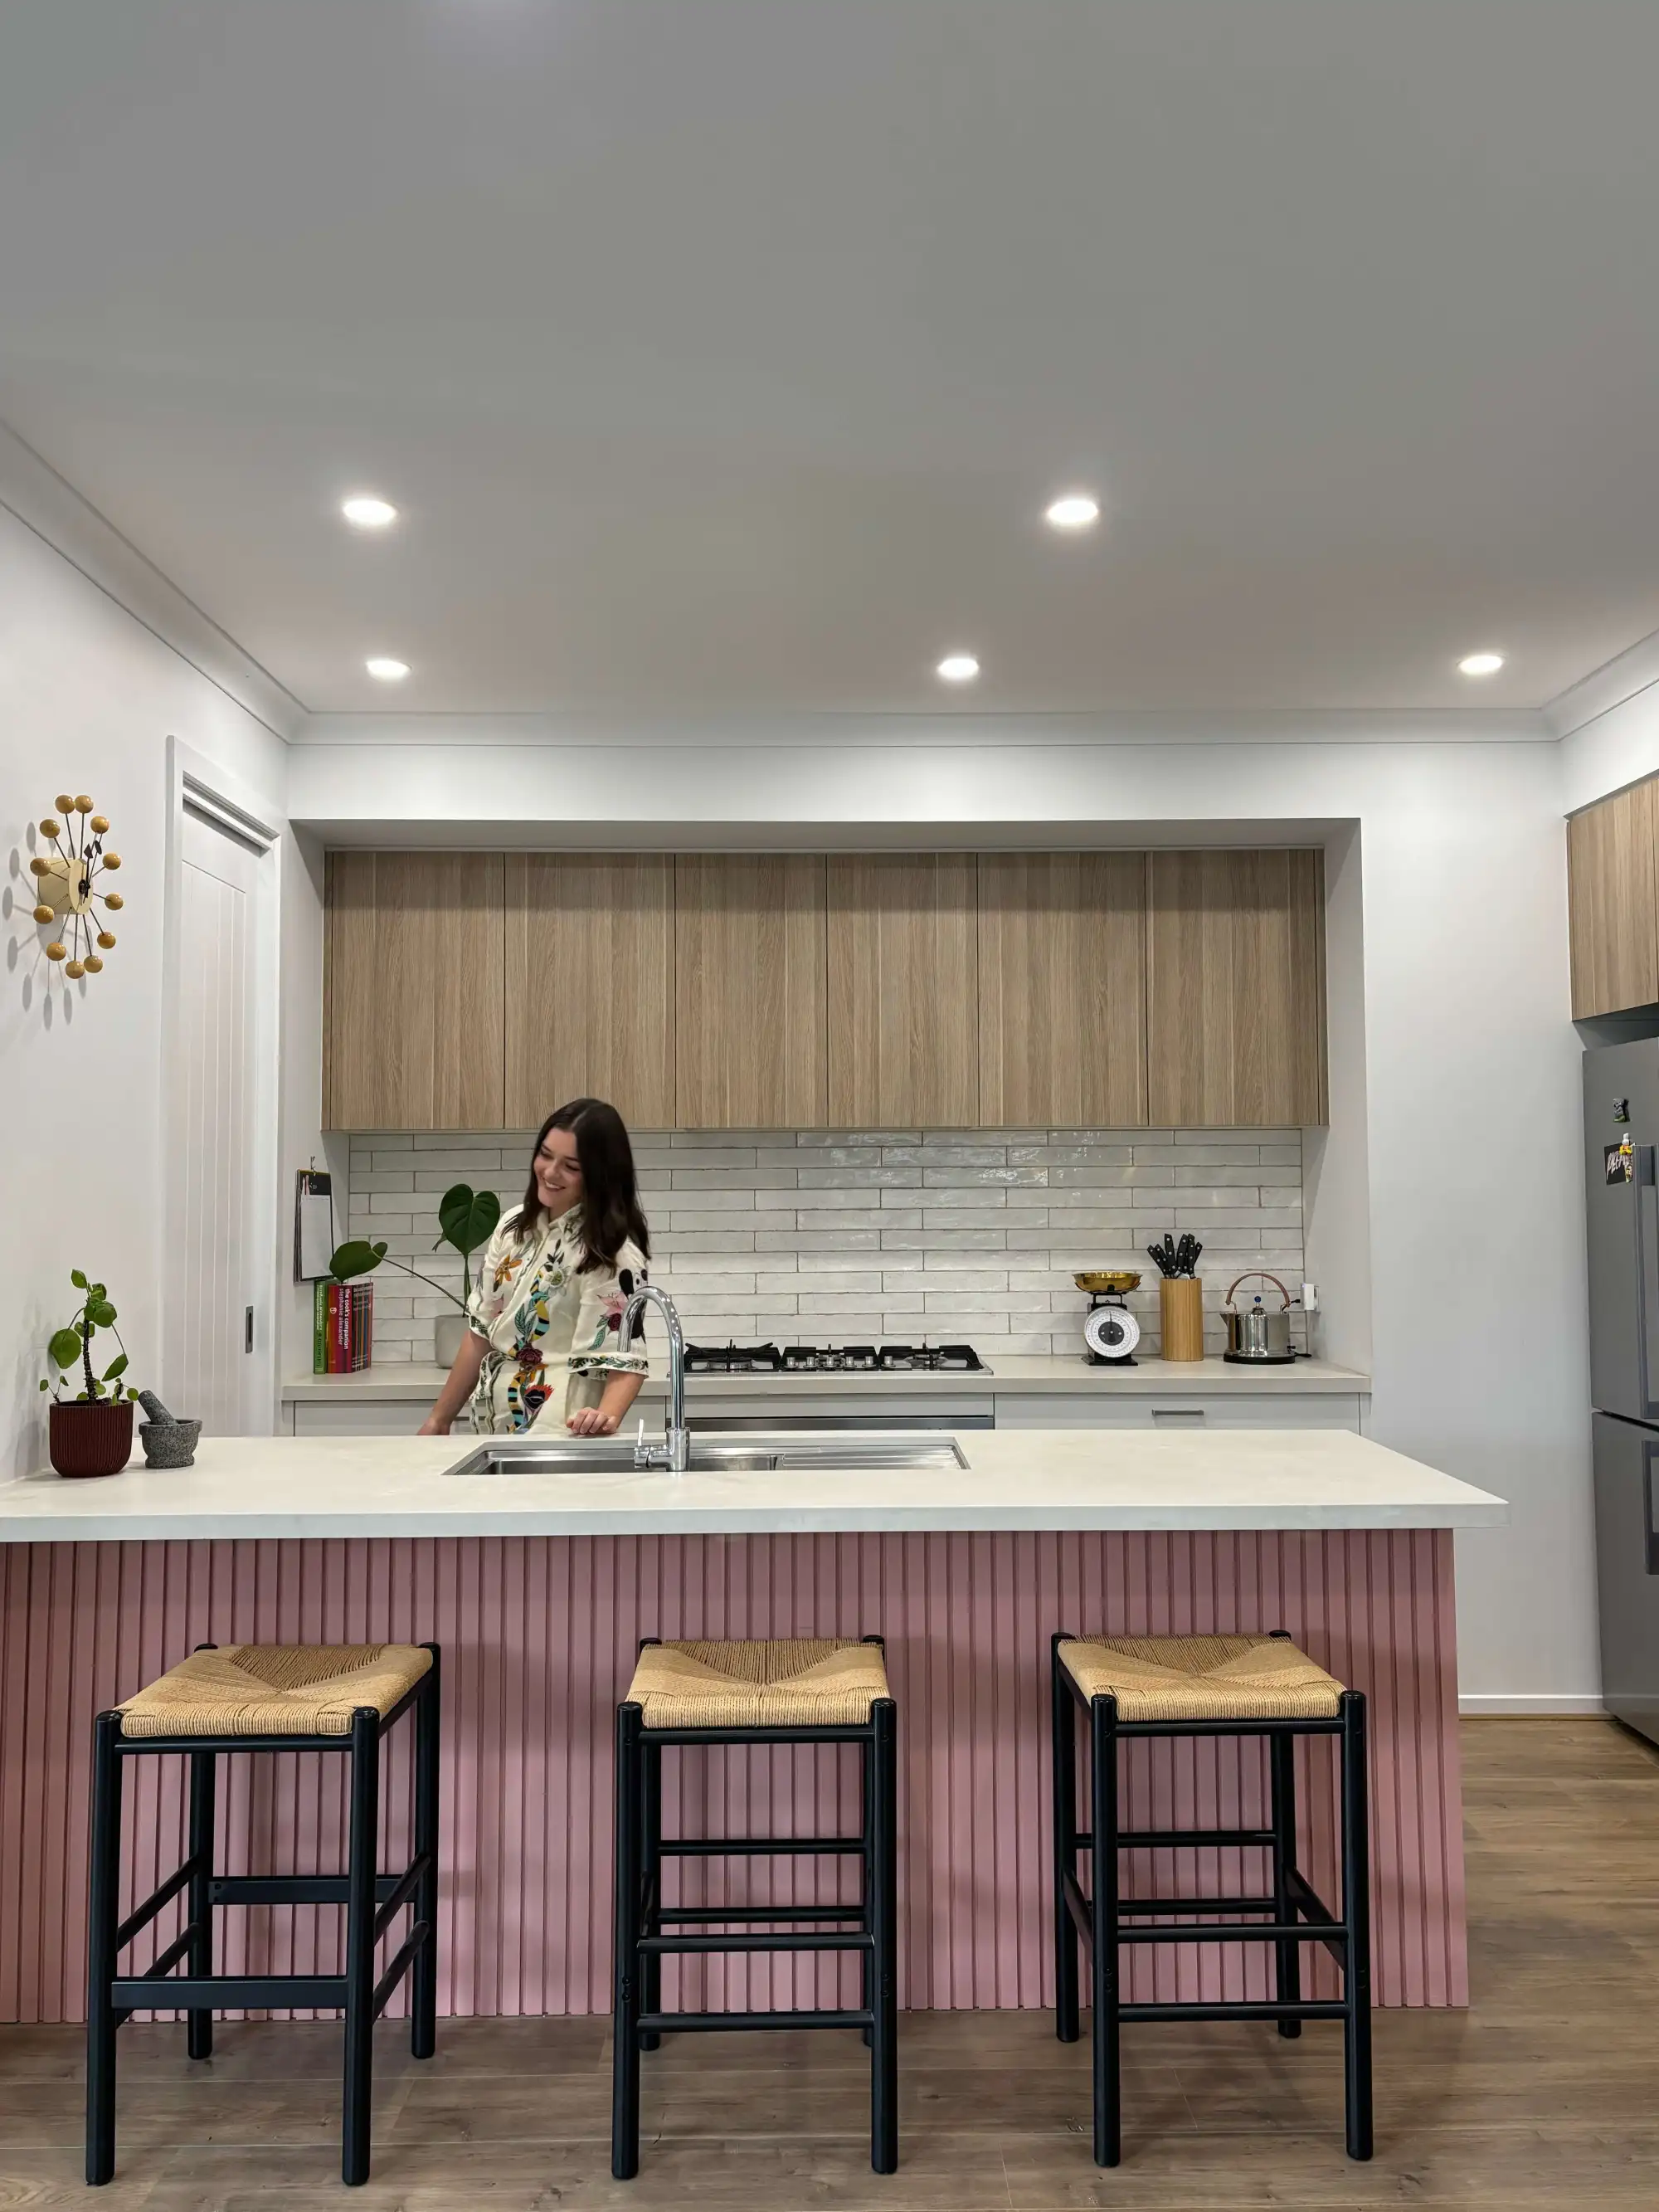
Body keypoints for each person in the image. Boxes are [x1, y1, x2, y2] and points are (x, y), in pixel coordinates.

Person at [418, 1099, 651, 1437]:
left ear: (600, 1175)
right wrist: (438, 1420)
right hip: (493, 1427)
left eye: (571, 1166)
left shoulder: (611, 1253)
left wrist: (606, 1419)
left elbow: (627, 1360)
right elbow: (481, 1333)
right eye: (545, 1154)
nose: (550, 1172)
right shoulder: (512, 1227)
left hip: (562, 1429)